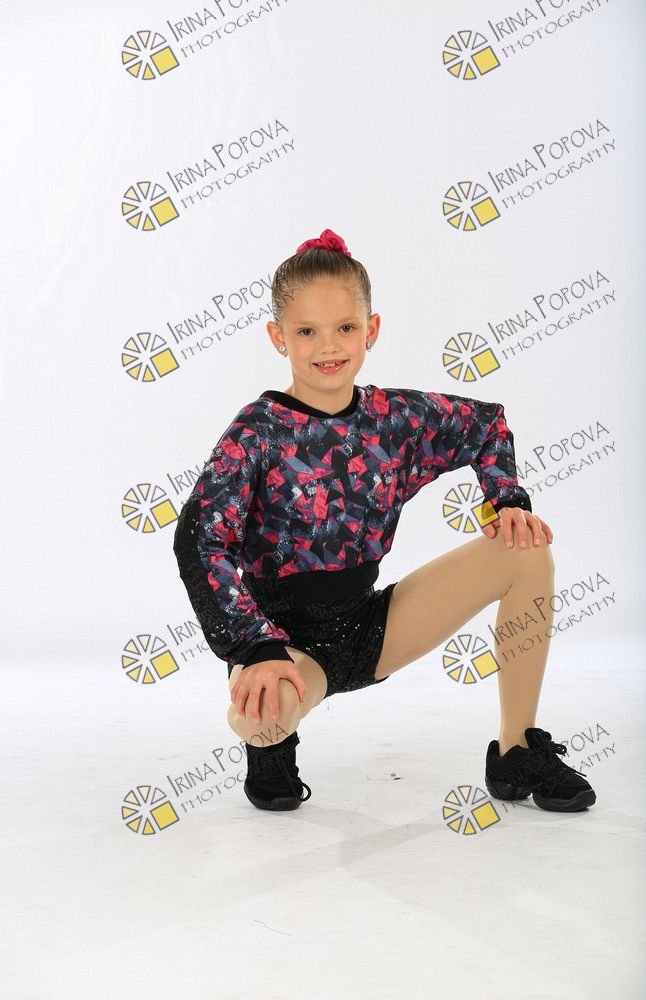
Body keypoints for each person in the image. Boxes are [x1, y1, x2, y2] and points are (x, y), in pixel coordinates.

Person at [173, 228, 596, 815]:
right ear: (278, 337)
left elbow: (487, 425)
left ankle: (517, 749)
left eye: (345, 328)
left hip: (371, 625)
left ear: (371, 329)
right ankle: (272, 746)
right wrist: (254, 646)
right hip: (283, 640)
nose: (329, 346)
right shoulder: (256, 434)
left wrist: (506, 501)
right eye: (307, 331)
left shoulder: (394, 420)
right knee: (262, 720)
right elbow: (199, 540)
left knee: (526, 551)